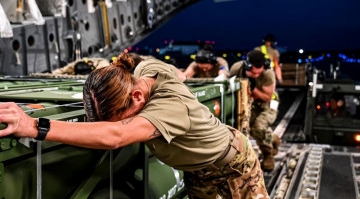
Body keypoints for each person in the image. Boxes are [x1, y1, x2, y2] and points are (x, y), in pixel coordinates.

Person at [0, 53, 269, 198]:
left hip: (232, 165)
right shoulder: (144, 72)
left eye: (122, 115)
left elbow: (116, 135)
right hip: (196, 170)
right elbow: (174, 74)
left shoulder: (168, 108)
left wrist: (33, 125)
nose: (124, 121)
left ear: (137, 97)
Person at [230, 50, 280, 171]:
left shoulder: (268, 74)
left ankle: (268, 154)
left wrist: (250, 86)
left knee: (258, 127)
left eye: (259, 73)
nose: (256, 75)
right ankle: (272, 138)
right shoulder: (237, 69)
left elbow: (267, 97)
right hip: (248, 103)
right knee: (245, 128)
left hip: (267, 104)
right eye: (253, 73)